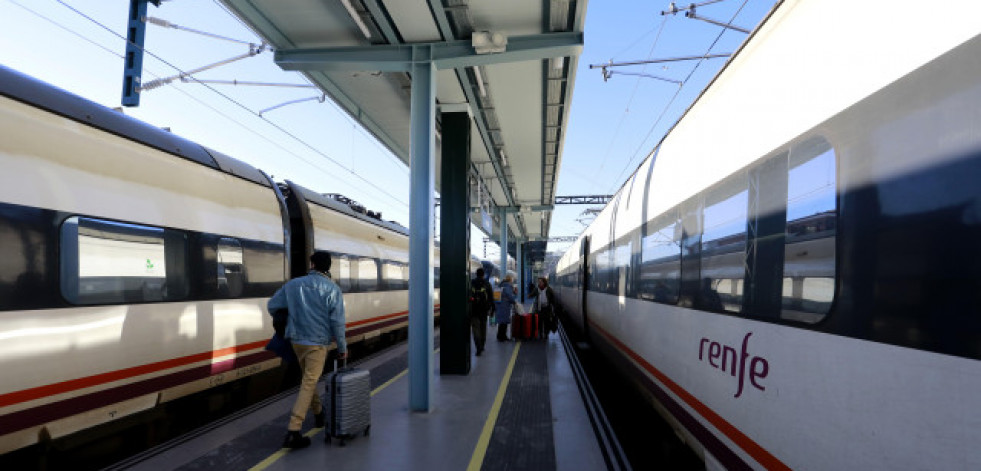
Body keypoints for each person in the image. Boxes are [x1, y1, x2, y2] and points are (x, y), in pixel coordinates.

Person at [267, 251, 347, 449]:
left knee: (308, 379)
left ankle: (319, 414)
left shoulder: (294, 284)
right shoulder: (333, 289)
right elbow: (337, 322)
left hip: (297, 341)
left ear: (312, 264)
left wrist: (293, 313)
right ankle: (294, 430)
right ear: (328, 267)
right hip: (318, 343)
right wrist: (343, 348)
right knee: (309, 382)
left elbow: (272, 306)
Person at [469, 268, 494, 355]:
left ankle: (478, 346)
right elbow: (491, 298)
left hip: (474, 310)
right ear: (483, 274)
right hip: (484, 310)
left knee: (476, 329)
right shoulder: (487, 284)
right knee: (483, 329)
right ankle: (482, 346)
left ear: (476, 274)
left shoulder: (471, 283)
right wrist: (492, 310)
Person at [495, 274, 517, 341]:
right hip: (505, 306)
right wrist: (514, 301)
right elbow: (509, 295)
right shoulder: (508, 285)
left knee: (501, 322)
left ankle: (499, 336)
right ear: (510, 279)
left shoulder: (501, 284)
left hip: (499, 305)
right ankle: (503, 336)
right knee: (504, 321)